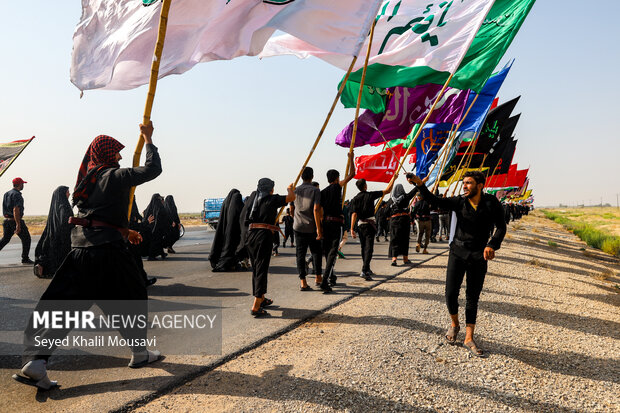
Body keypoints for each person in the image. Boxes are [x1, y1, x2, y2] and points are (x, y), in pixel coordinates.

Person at [13, 123, 162, 390]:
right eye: (115, 153)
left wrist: (126, 231)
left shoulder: (86, 180)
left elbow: (97, 217)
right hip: (109, 254)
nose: (119, 157)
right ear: (106, 154)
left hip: (81, 252)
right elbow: (152, 170)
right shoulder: (113, 176)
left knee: (63, 310)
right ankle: (140, 352)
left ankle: (37, 361)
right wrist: (148, 139)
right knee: (132, 298)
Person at [408, 170, 506, 357]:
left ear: (480, 185)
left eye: (469, 183)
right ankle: (454, 324)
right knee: (450, 293)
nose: (465, 186)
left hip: (479, 256)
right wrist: (420, 184)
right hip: (457, 252)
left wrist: (492, 244)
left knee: (472, 297)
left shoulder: (491, 203)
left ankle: (469, 338)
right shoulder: (459, 201)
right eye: (464, 183)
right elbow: (435, 201)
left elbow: (501, 226)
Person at [243, 178, 295, 317]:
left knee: (256, 269)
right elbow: (291, 197)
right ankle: (256, 305)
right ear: (270, 189)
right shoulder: (272, 199)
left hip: (250, 235)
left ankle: (261, 298)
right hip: (262, 236)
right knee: (261, 269)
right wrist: (290, 188)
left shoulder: (252, 197)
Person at [319, 153, 355, 292]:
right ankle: (325, 280)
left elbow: (319, 210)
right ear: (337, 178)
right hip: (336, 224)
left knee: (328, 252)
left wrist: (320, 227)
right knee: (332, 253)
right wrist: (351, 158)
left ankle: (331, 277)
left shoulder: (323, 192)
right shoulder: (337, 187)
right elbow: (352, 174)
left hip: (326, 223)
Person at [350, 178, 394, 280]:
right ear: (365, 186)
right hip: (369, 225)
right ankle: (364, 270)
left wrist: (352, 229)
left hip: (360, 225)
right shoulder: (370, 195)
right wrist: (393, 179)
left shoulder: (355, 198)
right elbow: (387, 190)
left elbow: (354, 214)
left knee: (363, 247)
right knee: (369, 248)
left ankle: (367, 268)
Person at [33, 186, 74, 278]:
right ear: (62, 194)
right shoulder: (64, 206)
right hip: (62, 234)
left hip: (53, 233)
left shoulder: (56, 205)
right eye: (67, 192)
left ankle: (41, 267)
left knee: (50, 252)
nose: (69, 194)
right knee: (61, 254)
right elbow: (65, 221)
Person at [293, 167, 322, 291]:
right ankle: (318, 278)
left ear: (301, 177)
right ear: (312, 176)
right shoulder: (315, 190)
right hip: (311, 226)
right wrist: (319, 229)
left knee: (300, 254)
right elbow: (316, 209)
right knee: (316, 252)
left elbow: (291, 208)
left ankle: (303, 282)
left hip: (298, 226)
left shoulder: (296, 190)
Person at [0, 177, 33, 264]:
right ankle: (25, 258)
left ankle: (25, 258)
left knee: (5, 239)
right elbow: (16, 209)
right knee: (26, 239)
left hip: (6, 221)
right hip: (14, 220)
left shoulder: (6, 194)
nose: (23, 186)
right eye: (22, 184)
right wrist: (18, 224)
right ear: (19, 184)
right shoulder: (17, 195)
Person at [209, 188, 244, 272]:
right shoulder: (237, 200)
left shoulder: (226, 202)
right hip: (234, 230)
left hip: (224, 228)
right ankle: (229, 263)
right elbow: (241, 213)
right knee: (231, 246)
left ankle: (226, 262)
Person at [388, 182, 418, 266]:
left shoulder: (391, 200)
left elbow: (386, 212)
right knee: (404, 239)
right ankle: (405, 259)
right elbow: (415, 190)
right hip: (404, 220)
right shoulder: (405, 197)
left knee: (394, 239)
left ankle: (394, 259)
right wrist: (415, 182)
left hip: (394, 220)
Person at [128, 198, 157, 286]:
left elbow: (135, 215)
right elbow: (130, 224)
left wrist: (143, 220)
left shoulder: (129, 200)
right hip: (128, 237)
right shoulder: (126, 202)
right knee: (136, 261)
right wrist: (145, 223)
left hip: (128, 236)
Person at [143, 193, 170, 260]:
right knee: (156, 242)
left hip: (150, 228)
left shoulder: (149, 207)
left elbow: (144, 214)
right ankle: (151, 256)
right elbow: (163, 216)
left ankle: (162, 253)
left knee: (157, 241)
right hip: (157, 228)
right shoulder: (159, 207)